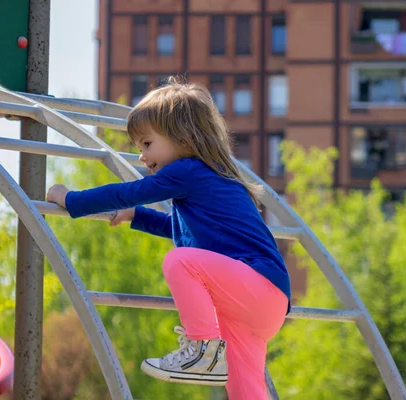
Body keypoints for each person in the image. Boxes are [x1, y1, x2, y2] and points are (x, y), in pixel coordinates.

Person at [46, 77, 291, 399]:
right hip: (262, 303)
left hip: (256, 284)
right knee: (245, 389)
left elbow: (129, 191)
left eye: (147, 144)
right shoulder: (212, 180)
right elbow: (179, 229)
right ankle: (207, 351)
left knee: (181, 262)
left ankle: (201, 347)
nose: (142, 157)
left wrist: (72, 199)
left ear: (183, 137)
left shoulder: (188, 170)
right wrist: (138, 215)